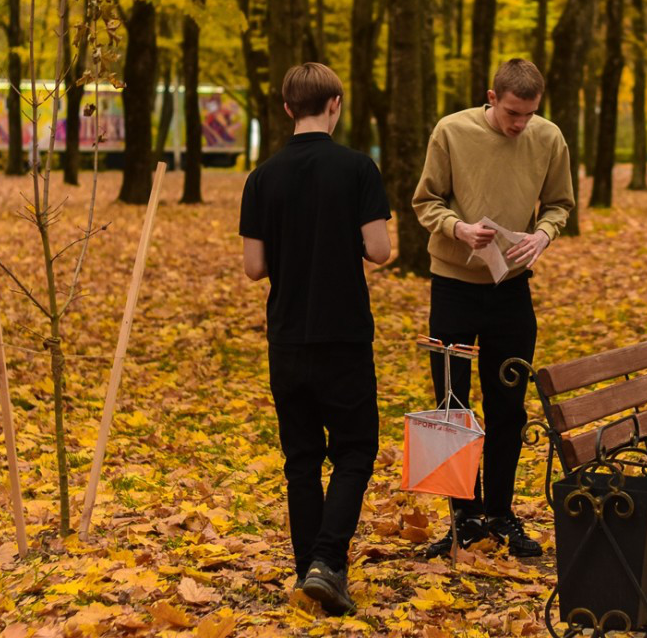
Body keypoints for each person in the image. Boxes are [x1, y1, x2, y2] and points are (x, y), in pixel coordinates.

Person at [240, 63, 391, 615]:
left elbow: (254, 267)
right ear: (336, 104)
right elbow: (379, 251)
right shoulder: (357, 169)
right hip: (344, 336)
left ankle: (312, 575)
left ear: (286, 109)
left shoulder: (262, 177)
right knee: (355, 450)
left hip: (287, 337)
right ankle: (328, 562)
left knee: (301, 460)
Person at [412, 58, 575, 558]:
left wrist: (543, 236)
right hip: (453, 287)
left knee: (508, 405)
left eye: (528, 114)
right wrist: (458, 228)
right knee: (451, 406)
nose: (519, 124)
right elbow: (425, 202)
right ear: (491, 97)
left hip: (512, 289)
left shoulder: (549, 138)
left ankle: (502, 514)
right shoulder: (451, 132)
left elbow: (559, 204)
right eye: (511, 113)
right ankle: (463, 517)